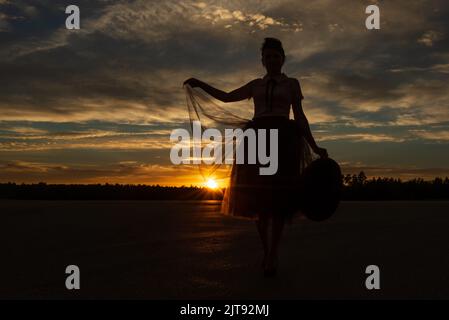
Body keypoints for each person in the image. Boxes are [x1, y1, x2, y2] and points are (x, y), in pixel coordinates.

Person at [184, 37, 328, 277]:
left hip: (284, 139)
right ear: (263, 61)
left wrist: (314, 145)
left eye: (276, 56)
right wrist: (200, 84)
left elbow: (300, 116)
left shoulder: (292, 84)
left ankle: (273, 254)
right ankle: (267, 251)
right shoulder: (255, 85)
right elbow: (227, 97)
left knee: (280, 203)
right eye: (268, 56)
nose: (273, 60)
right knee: (259, 203)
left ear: (283, 59)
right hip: (257, 139)